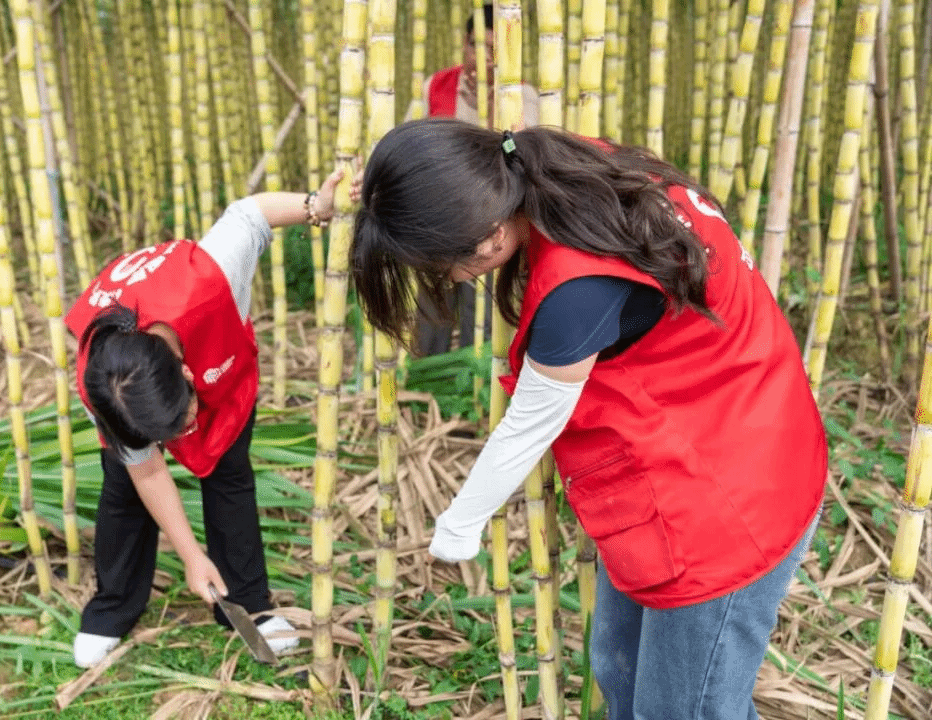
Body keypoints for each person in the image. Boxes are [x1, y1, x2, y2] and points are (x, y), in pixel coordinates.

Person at [349, 118, 827, 719]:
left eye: (439, 265)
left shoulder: (578, 290)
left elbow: (530, 424)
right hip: (731, 421)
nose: (446, 280)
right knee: (619, 671)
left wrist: (459, 525)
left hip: (730, 493)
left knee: (685, 709)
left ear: (491, 237)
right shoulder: (556, 165)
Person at [65, 169, 344, 668]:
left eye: (184, 416)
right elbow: (149, 472)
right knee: (123, 487)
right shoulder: (103, 385)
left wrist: (316, 206)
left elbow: (250, 213)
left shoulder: (212, 274)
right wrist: (192, 557)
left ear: (187, 372)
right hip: (144, 372)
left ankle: (248, 605)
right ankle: (112, 608)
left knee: (229, 474)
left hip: (223, 359)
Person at [416, 3, 540, 356]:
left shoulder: (523, 95)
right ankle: (428, 375)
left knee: (484, 312)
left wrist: (493, 110)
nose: (483, 57)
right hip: (438, 219)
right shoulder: (436, 86)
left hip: (492, 221)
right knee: (431, 305)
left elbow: (525, 162)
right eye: (476, 45)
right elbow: (416, 146)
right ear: (464, 44)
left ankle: (477, 376)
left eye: (494, 49)